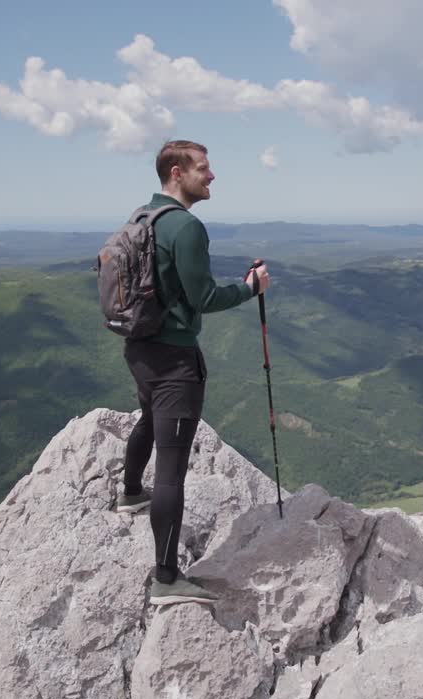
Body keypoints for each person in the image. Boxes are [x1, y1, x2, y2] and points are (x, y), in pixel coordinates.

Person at [116, 140, 270, 606]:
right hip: (175, 360)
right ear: (177, 172)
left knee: (148, 416)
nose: (212, 176)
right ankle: (166, 577)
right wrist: (250, 287)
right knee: (172, 472)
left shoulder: (144, 218)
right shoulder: (185, 227)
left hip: (139, 348)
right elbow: (203, 298)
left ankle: (128, 492)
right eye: (204, 169)